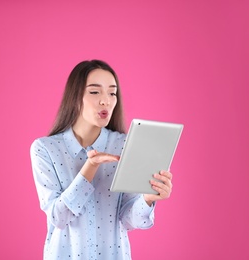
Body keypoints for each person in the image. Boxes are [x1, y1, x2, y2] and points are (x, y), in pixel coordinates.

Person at [30, 60, 173, 260]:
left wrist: (148, 199)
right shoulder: (46, 149)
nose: (106, 100)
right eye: (95, 92)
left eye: (112, 93)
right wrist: (90, 166)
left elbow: (128, 220)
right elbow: (58, 217)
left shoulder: (124, 145)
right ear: (75, 97)